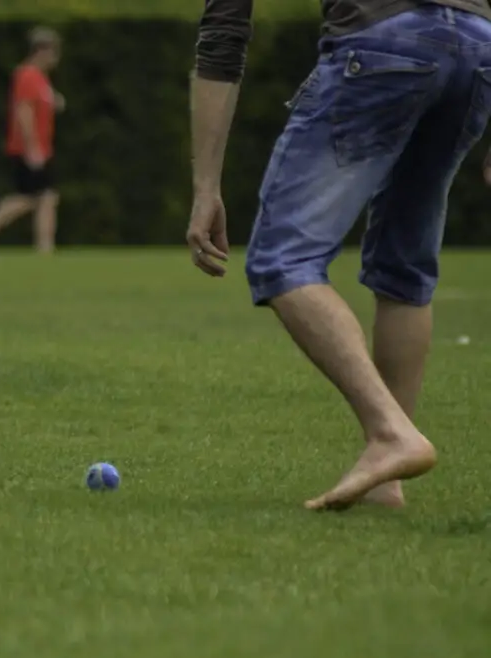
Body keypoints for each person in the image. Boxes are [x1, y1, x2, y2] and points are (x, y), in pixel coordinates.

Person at [188, 0, 491, 510]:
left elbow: (224, 30)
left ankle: (392, 432)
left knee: (282, 258)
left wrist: (204, 187)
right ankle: (385, 483)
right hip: (479, 44)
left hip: (382, 44)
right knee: (405, 262)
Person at [0, 26, 65, 253]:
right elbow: (23, 112)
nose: (55, 59)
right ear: (41, 51)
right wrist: (32, 148)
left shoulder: (41, 79)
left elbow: (45, 101)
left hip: (42, 147)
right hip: (29, 148)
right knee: (29, 198)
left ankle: (44, 246)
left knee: (45, 197)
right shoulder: (27, 75)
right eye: (53, 53)